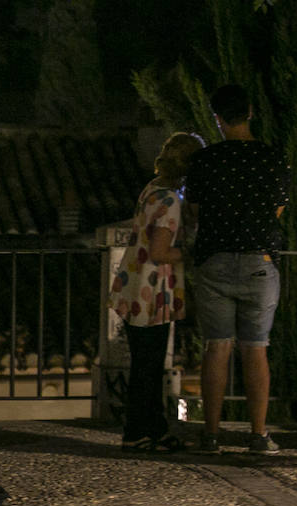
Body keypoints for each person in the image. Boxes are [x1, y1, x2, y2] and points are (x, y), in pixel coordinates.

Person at [184, 84, 291, 454]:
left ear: (217, 120)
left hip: (214, 259)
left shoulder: (204, 161)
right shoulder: (272, 158)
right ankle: (258, 435)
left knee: (216, 348)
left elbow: (194, 212)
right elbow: (277, 210)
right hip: (259, 261)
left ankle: (211, 434)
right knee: (256, 349)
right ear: (250, 112)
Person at [110, 131, 206, 451]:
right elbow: (161, 251)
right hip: (153, 292)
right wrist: (193, 254)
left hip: (134, 285)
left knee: (144, 364)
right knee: (148, 367)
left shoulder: (152, 190)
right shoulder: (170, 200)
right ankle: (138, 432)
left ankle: (152, 429)